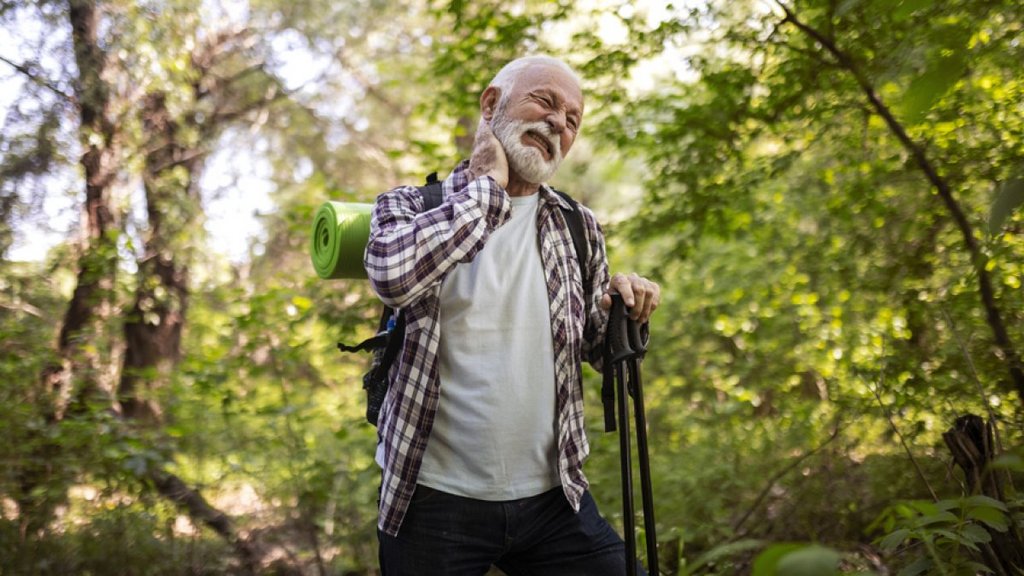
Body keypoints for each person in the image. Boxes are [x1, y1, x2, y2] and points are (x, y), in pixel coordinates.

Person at [364, 55, 661, 575]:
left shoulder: (577, 225)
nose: (557, 124)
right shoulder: (410, 205)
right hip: (433, 499)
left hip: (553, 495)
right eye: (545, 102)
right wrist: (486, 192)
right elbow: (392, 276)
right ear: (491, 104)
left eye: (572, 120)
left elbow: (596, 348)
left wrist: (623, 309)